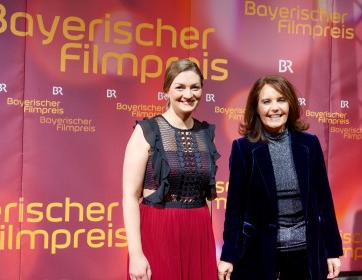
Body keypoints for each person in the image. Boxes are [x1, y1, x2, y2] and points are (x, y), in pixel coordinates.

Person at [217, 75, 343, 280]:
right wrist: (228, 256)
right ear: (256, 108)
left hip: (305, 254)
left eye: (281, 100)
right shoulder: (243, 148)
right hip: (259, 253)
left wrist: (332, 250)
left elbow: (324, 200)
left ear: (291, 104)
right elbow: (235, 209)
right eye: (266, 101)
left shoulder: (309, 144)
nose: (274, 108)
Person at [122, 59, 220, 280]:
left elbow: (209, 196)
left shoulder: (206, 133)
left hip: (198, 233)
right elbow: (129, 196)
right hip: (158, 231)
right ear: (166, 90)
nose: (188, 94)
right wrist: (136, 253)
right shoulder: (147, 130)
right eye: (180, 87)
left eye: (195, 87)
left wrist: (209, 245)